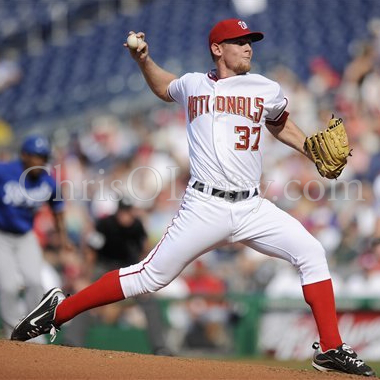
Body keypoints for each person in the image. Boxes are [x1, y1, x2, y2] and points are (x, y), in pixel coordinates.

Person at [11, 19, 375, 376]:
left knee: (311, 252)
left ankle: (331, 348)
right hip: (205, 206)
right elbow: (163, 86)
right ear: (218, 49)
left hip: (251, 205)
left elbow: (279, 122)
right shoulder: (193, 84)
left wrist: (310, 150)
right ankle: (59, 310)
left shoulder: (265, 87)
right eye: (239, 41)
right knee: (150, 277)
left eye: (250, 41)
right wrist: (143, 61)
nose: (248, 46)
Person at [63, 196, 171, 355]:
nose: (125, 215)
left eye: (128, 212)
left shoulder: (137, 226)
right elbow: (91, 253)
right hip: (104, 268)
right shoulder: (106, 224)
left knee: (150, 302)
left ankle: (160, 347)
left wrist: (146, 277)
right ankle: (71, 341)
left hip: (128, 268)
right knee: (86, 296)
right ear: (118, 211)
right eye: (123, 212)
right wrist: (86, 277)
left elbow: (145, 249)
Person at [0, 134, 70, 340]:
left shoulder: (47, 181)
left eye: (43, 157)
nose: (39, 161)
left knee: (34, 282)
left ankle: (33, 333)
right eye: (35, 156)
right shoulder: (5, 172)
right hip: (2, 235)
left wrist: (63, 238)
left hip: (25, 236)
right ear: (24, 155)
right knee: (8, 287)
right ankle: (13, 332)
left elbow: (58, 210)